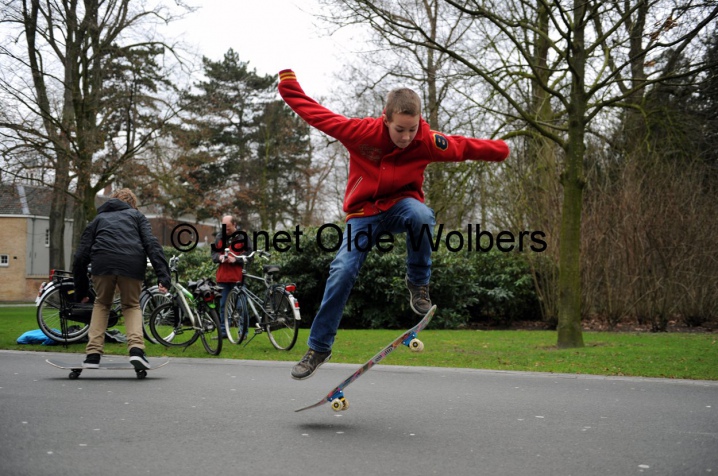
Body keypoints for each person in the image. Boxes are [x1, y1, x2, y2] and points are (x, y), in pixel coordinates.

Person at [278, 69, 510, 380]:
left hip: (402, 207)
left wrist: (502, 150)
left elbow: (464, 146)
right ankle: (319, 347)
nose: (406, 137)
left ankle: (417, 283)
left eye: (412, 130)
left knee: (422, 215)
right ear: (386, 119)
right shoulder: (360, 132)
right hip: (363, 216)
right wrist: (289, 86)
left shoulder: (427, 141)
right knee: (342, 270)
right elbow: (319, 116)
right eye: (400, 130)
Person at [73, 188, 171, 370]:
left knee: (102, 304)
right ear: (132, 204)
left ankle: (93, 355)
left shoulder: (98, 219)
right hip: (131, 265)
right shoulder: (137, 217)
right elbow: (152, 245)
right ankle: (136, 351)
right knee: (131, 305)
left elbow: (80, 255)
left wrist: (81, 290)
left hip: (102, 264)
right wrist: (163, 277)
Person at [211, 214, 252, 337]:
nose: (225, 230)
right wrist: (220, 257)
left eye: (228, 227)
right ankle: (224, 332)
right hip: (222, 278)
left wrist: (236, 260)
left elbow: (250, 255)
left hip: (238, 278)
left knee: (241, 306)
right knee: (223, 306)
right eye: (224, 227)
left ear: (235, 225)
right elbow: (213, 254)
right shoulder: (219, 237)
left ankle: (243, 332)